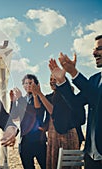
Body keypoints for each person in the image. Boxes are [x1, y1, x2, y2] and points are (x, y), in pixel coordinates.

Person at [48, 34, 102, 169]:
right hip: (91, 156)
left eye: (100, 49)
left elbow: (97, 99)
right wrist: (62, 81)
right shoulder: (94, 79)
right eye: (94, 49)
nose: (94, 53)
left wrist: (74, 73)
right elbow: (76, 103)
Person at [31, 74, 85, 169]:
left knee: (66, 164)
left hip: (66, 133)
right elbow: (38, 107)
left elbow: (55, 113)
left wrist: (40, 94)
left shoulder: (67, 96)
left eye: (55, 79)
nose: (52, 81)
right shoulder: (49, 96)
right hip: (53, 134)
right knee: (54, 163)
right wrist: (35, 95)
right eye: (50, 79)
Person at [10, 74, 47, 169]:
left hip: (38, 140)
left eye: (30, 83)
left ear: (36, 85)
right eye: (25, 83)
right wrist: (13, 101)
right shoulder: (22, 99)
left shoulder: (41, 97)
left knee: (45, 166)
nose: (28, 85)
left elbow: (35, 112)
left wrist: (20, 99)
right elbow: (14, 117)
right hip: (25, 141)